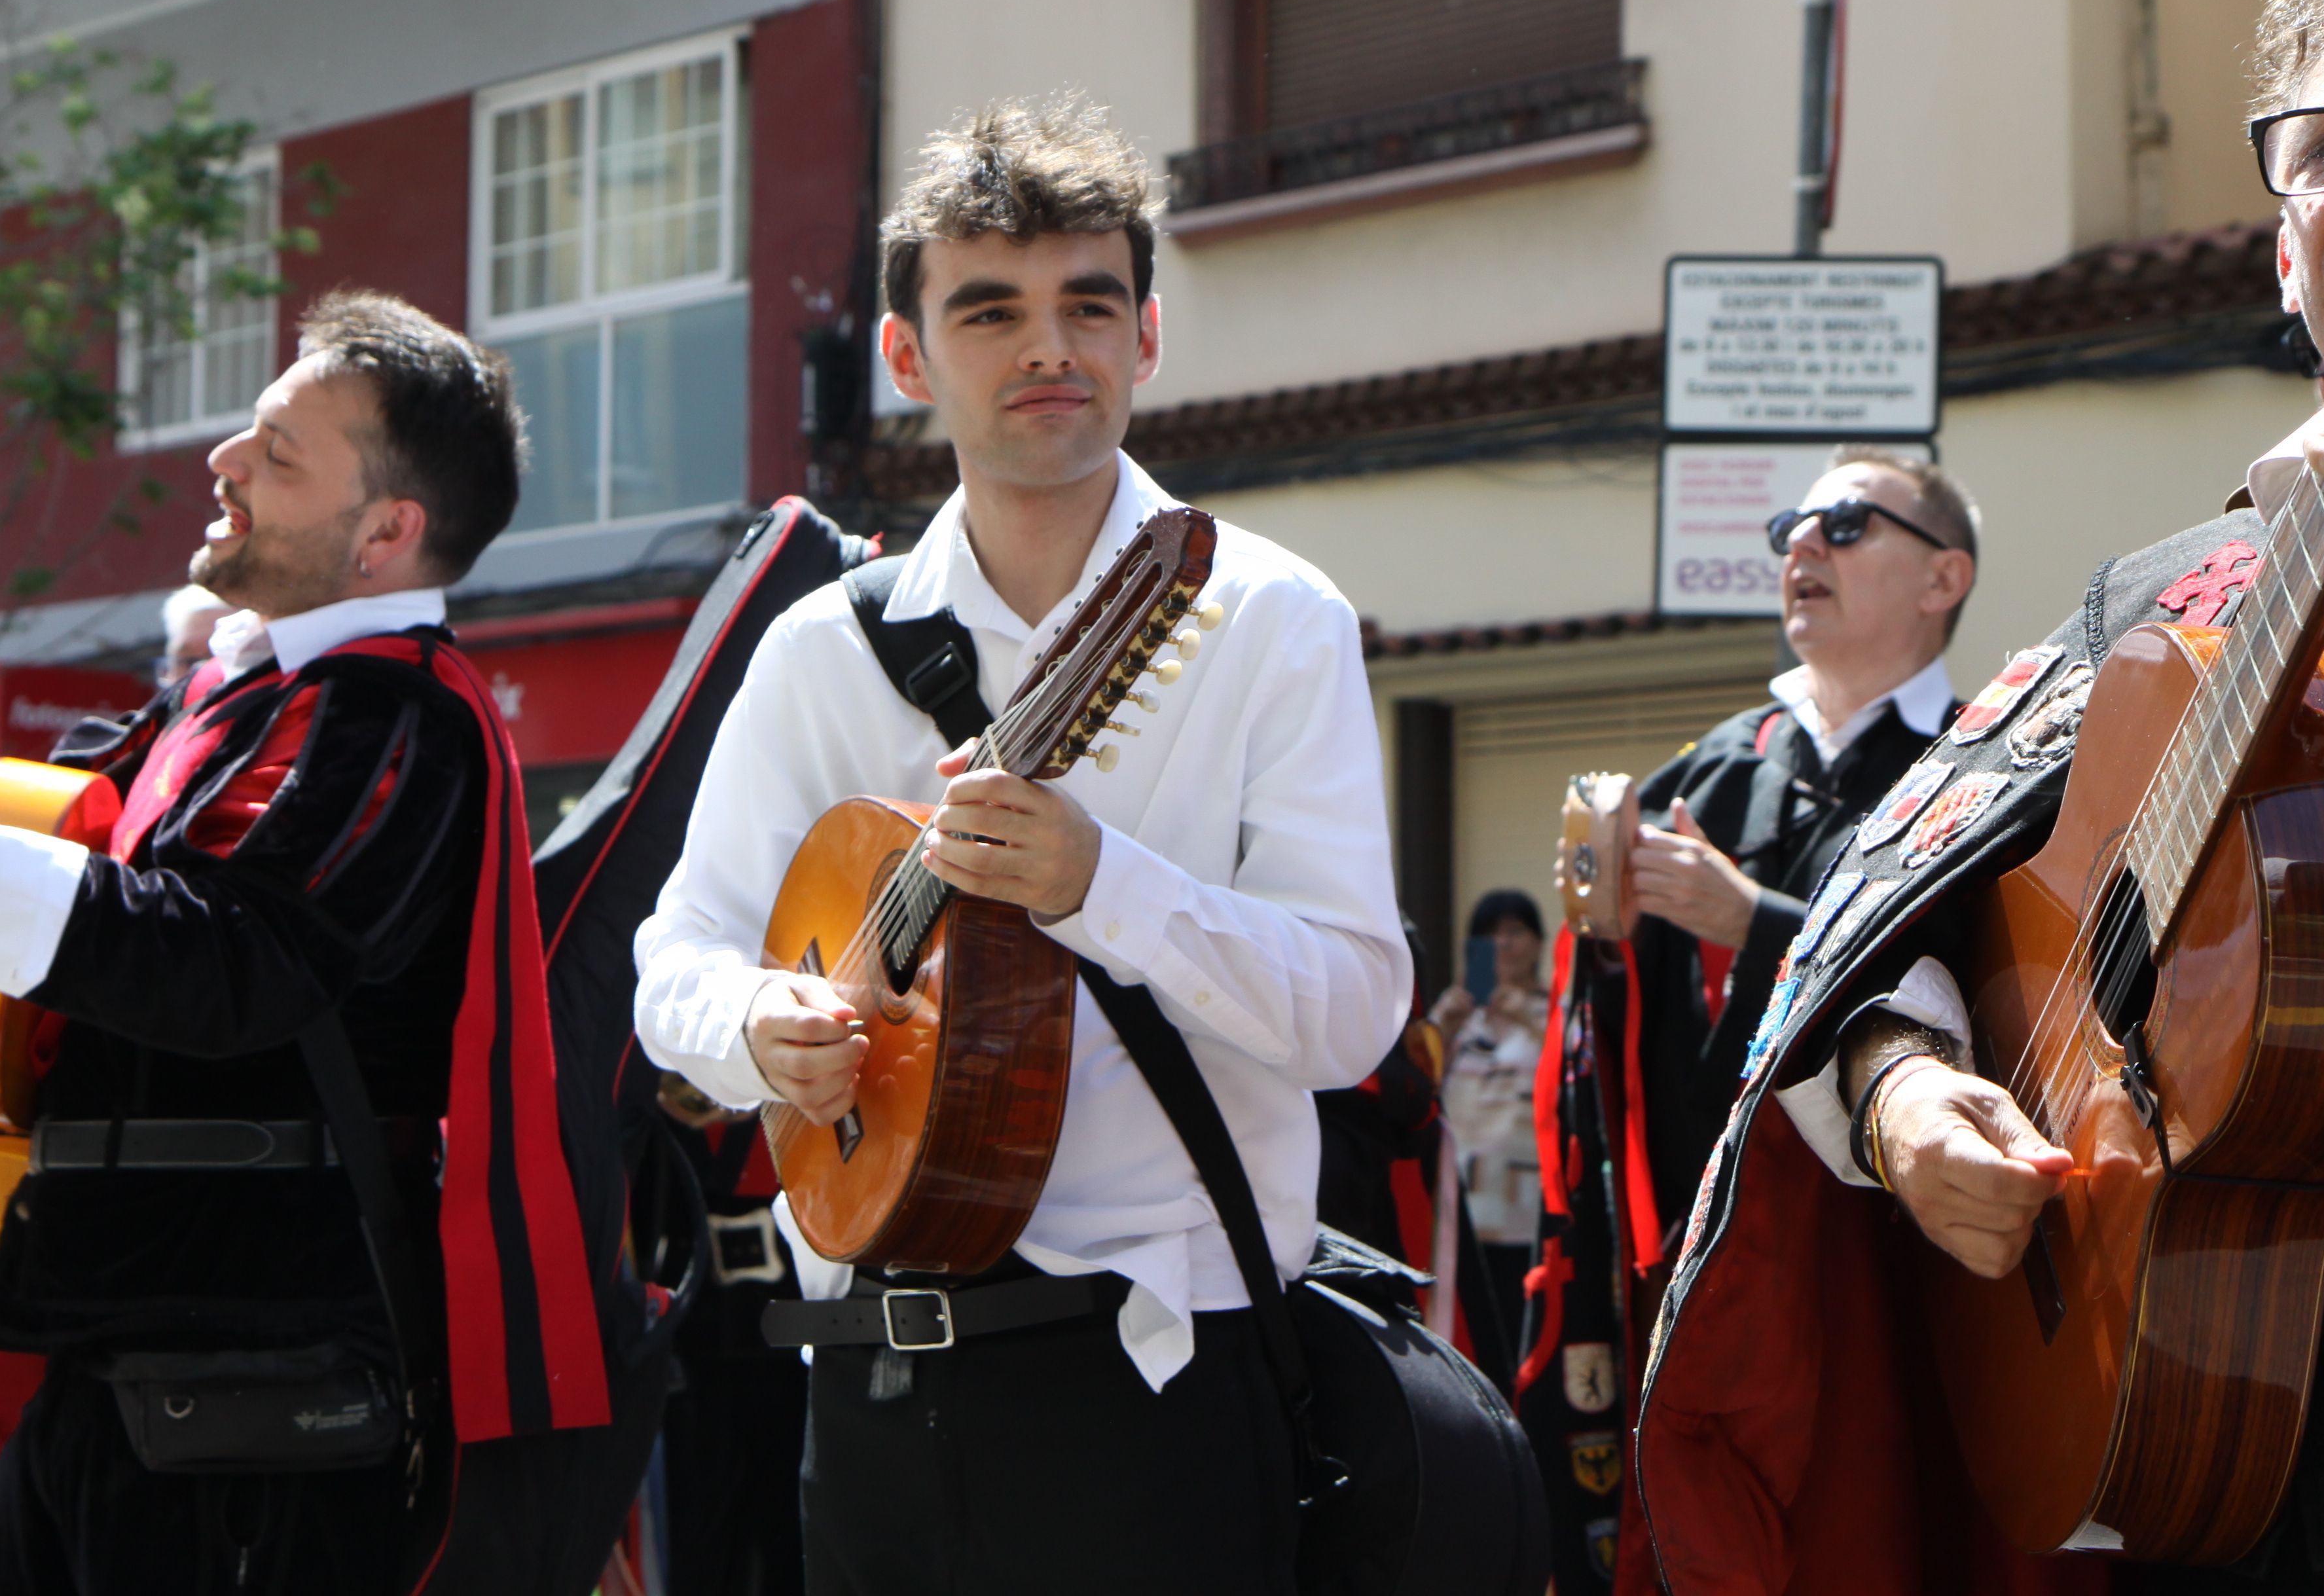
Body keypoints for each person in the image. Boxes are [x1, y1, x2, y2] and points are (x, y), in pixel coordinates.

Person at [1637, 0, 2324, 1593]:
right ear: (2279, 249)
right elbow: (1892, 892)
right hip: (2225, 1489)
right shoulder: (2165, 593)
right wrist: (1901, 1087)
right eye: (2323, 143)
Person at [632, 96, 1411, 1596]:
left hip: (1154, 1372)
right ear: (909, 356)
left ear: (1147, 338)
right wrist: (754, 1024)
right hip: (862, 1376)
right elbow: (675, 953)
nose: (1047, 346)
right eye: (990, 309)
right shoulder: (821, 648)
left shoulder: (1262, 617)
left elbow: (1352, 1006)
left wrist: (1098, 884)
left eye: (1086, 304)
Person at [0, 290, 613, 1594]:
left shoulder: (391, 720)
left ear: (387, 533)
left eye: (278, 455)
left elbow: (231, 966)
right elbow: (72, 826)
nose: (224, 461)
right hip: (140, 1349)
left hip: (259, 1375)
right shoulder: (245, 692)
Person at [1521, 444, 1975, 1592]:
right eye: (1789, 525)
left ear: (1943, 579)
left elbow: (1985, 986)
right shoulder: (1709, 771)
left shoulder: (1990, 765)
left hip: (1893, 1282)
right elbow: (1603, 1050)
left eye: (1846, 522)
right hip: (1703, 1271)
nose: (1801, 545)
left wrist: (1755, 918)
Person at [1434, 888, 1547, 1308]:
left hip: (1528, 1214)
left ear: (1538, 942)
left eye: (1514, 932)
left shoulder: (1559, 1012)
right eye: (1488, 935)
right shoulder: (1461, 1016)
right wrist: (1442, 1029)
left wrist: (1529, 1018)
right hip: (1461, 1208)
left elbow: (1576, 1072)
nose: (1501, 944)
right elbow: (1419, 1089)